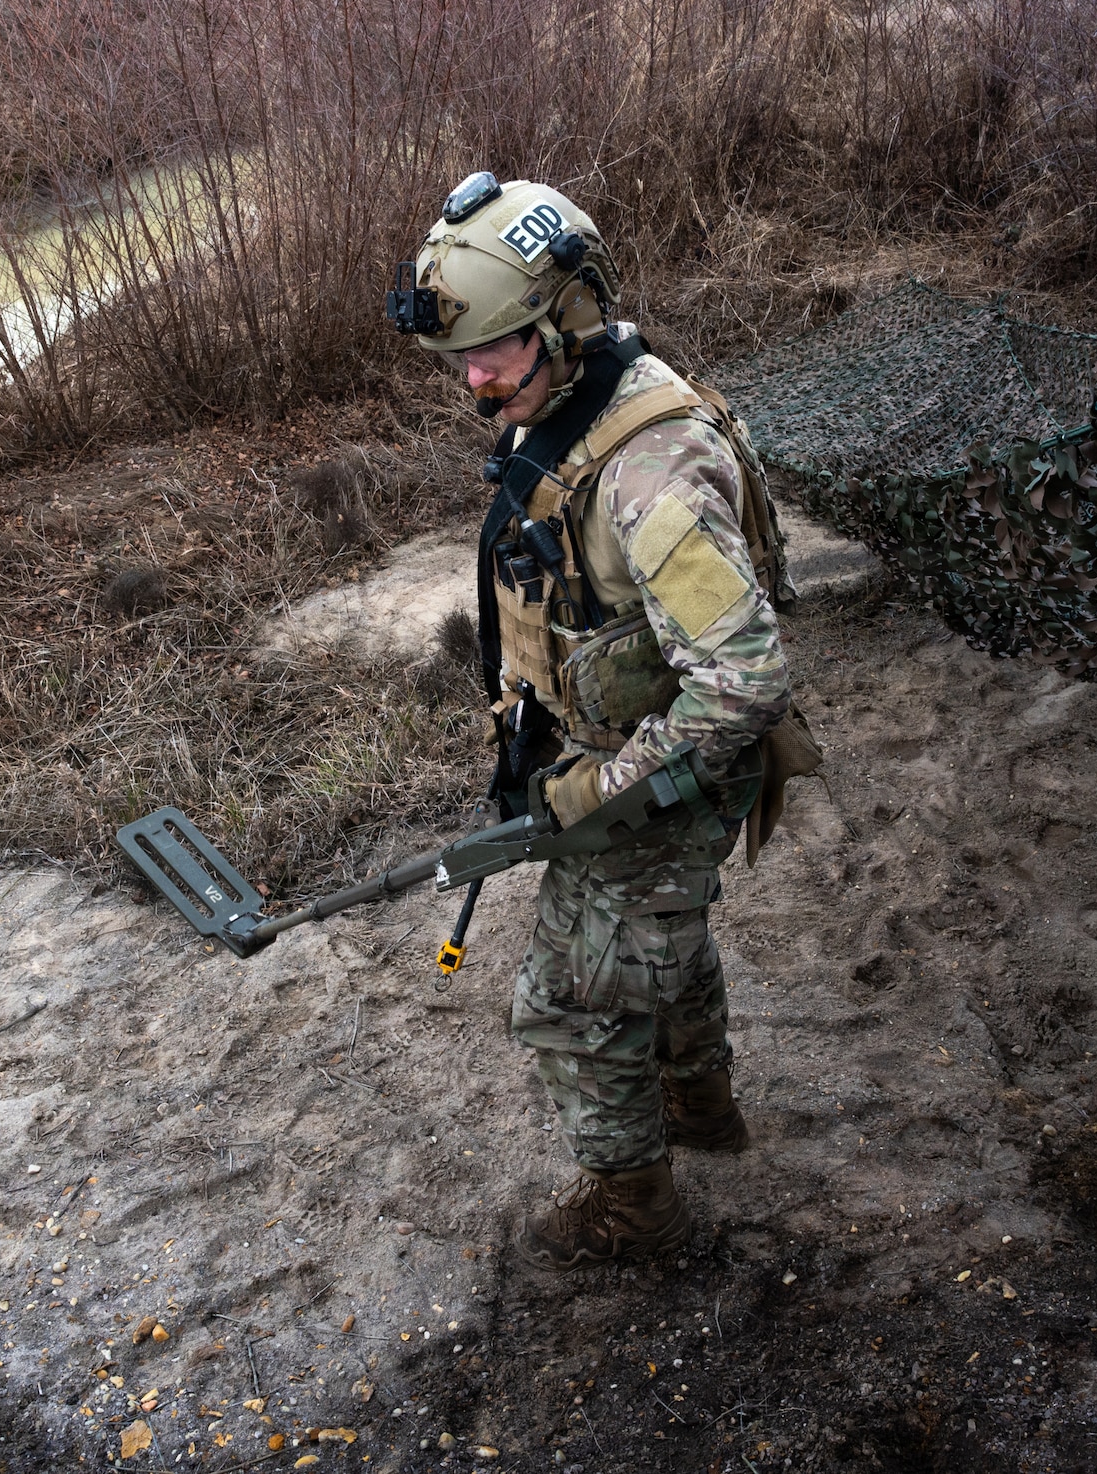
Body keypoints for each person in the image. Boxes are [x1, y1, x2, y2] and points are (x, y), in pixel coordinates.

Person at [386, 172, 811, 1272]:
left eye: (495, 350)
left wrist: (599, 789)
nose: (473, 379)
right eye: (462, 358)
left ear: (567, 322)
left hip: (665, 772)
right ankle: (704, 1116)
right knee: (661, 947)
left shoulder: (648, 476)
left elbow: (743, 681)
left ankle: (636, 1212)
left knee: (574, 1000)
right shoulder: (590, 393)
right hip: (640, 753)